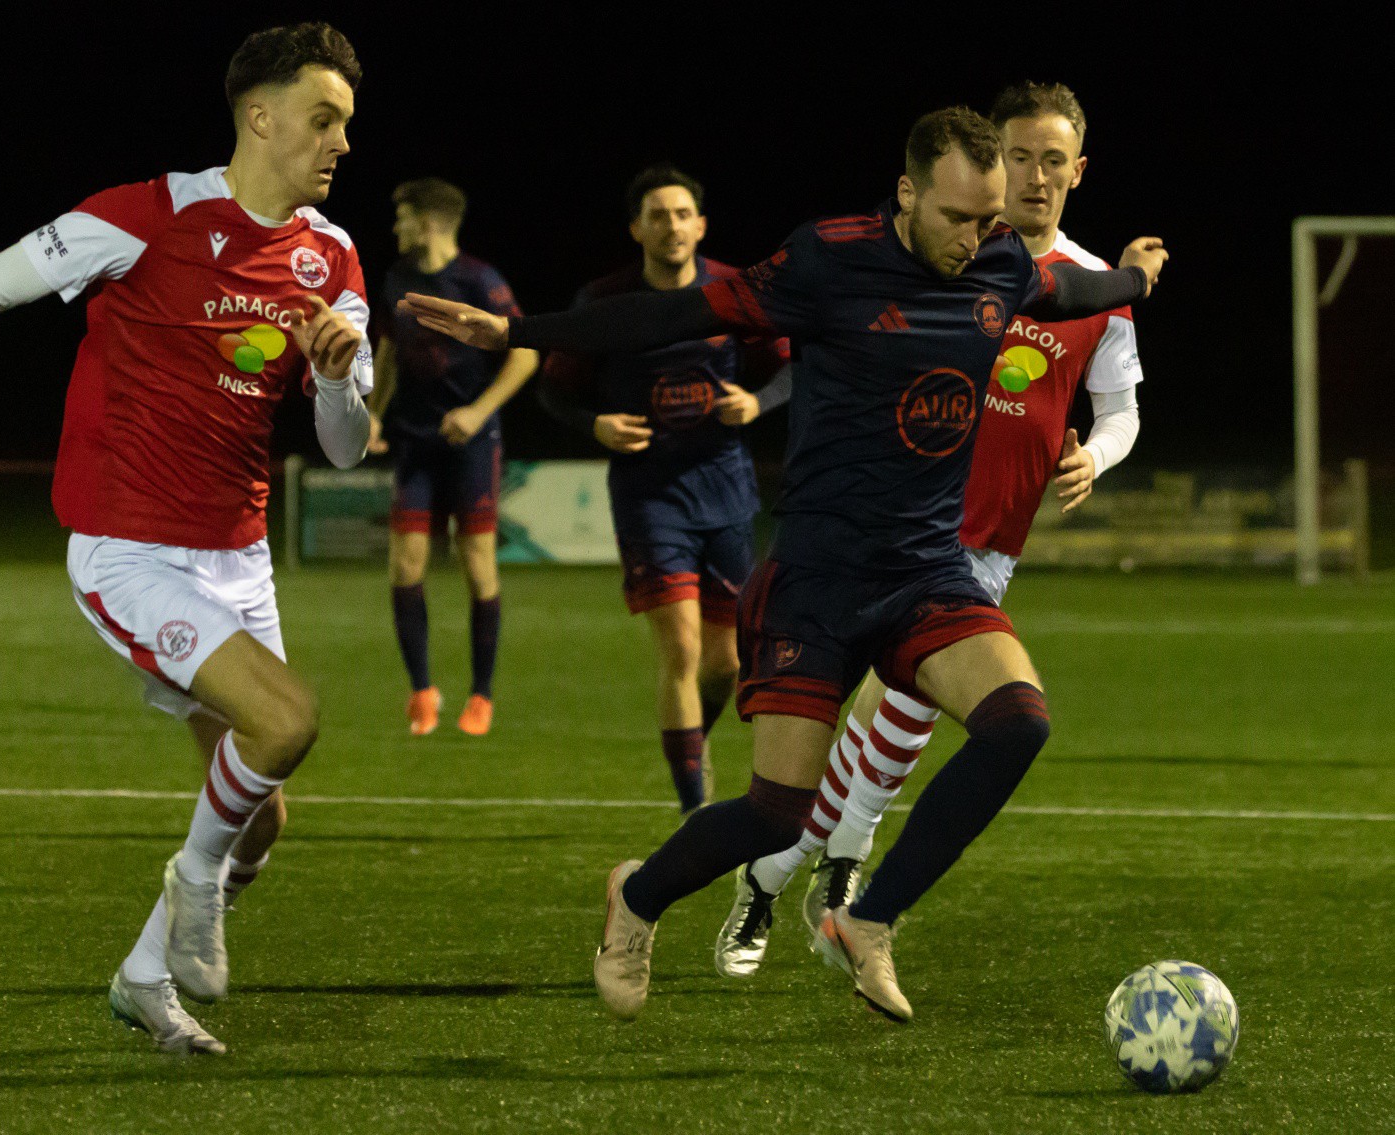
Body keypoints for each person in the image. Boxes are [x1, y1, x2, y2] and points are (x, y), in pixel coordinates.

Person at [401, 106, 1167, 1024]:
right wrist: (517, 334)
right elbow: (672, 313)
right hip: (819, 578)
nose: (979, 238)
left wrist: (1134, 278)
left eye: (991, 218)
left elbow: (1071, 296)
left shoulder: (1002, 261)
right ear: (907, 192)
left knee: (1019, 723)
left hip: (928, 571)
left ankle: (869, 919)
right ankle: (638, 896)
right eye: (960, 217)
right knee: (775, 815)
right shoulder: (826, 261)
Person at [0, 22, 372, 1054]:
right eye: (323, 119)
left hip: (237, 556)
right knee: (286, 721)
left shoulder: (331, 258)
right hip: (129, 549)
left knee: (265, 814)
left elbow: (341, 449)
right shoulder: (145, 216)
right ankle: (192, 880)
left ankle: (145, 973)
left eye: (346, 124)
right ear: (261, 116)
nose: (339, 142)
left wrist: (335, 376)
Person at [715, 80, 1145, 979]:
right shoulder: (944, 251)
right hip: (883, 529)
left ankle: (796, 877)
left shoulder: (1092, 289)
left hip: (979, 547)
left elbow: (1120, 411)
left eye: (1051, 161)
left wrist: (1096, 457)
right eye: (1018, 156)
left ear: (1077, 170)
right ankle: (806, 874)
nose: (1034, 176)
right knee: (864, 730)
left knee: (896, 726)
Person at [537, 166, 790, 814]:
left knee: (726, 664)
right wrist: (594, 422)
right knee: (678, 647)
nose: (671, 225)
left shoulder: (737, 292)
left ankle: (691, 742)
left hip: (726, 491)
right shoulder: (604, 302)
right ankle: (690, 811)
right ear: (636, 228)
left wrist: (755, 403)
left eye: (682, 213)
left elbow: (789, 373)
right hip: (650, 496)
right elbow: (553, 388)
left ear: (700, 225)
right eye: (658, 214)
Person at [367, 179, 538, 737]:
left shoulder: (479, 282)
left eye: (403, 217)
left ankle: (482, 694)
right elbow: (389, 351)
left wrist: (478, 411)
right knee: (405, 567)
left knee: (478, 568)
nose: (395, 228)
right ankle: (421, 690)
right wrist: (374, 412)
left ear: (431, 223)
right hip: (416, 443)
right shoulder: (397, 280)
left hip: (471, 446)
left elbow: (526, 354)